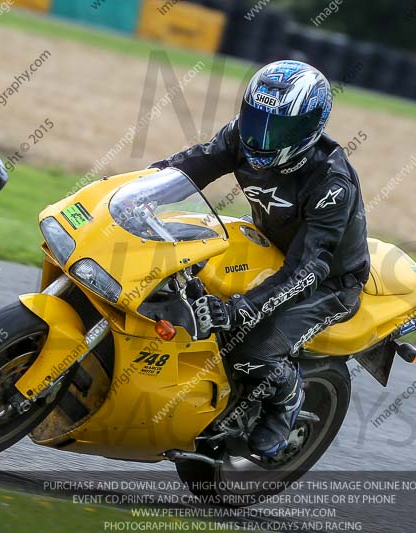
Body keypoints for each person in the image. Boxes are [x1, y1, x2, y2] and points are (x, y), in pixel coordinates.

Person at [150, 60, 370, 457]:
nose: (263, 137)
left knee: (250, 350)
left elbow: (309, 267)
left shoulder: (330, 182)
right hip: (266, 244)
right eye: (257, 118)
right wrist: (139, 189)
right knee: (172, 270)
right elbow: (192, 164)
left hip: (328, 280)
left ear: (310, 127)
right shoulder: (240, 136)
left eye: (280, 128)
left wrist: (241, 309)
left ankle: (284, 401)